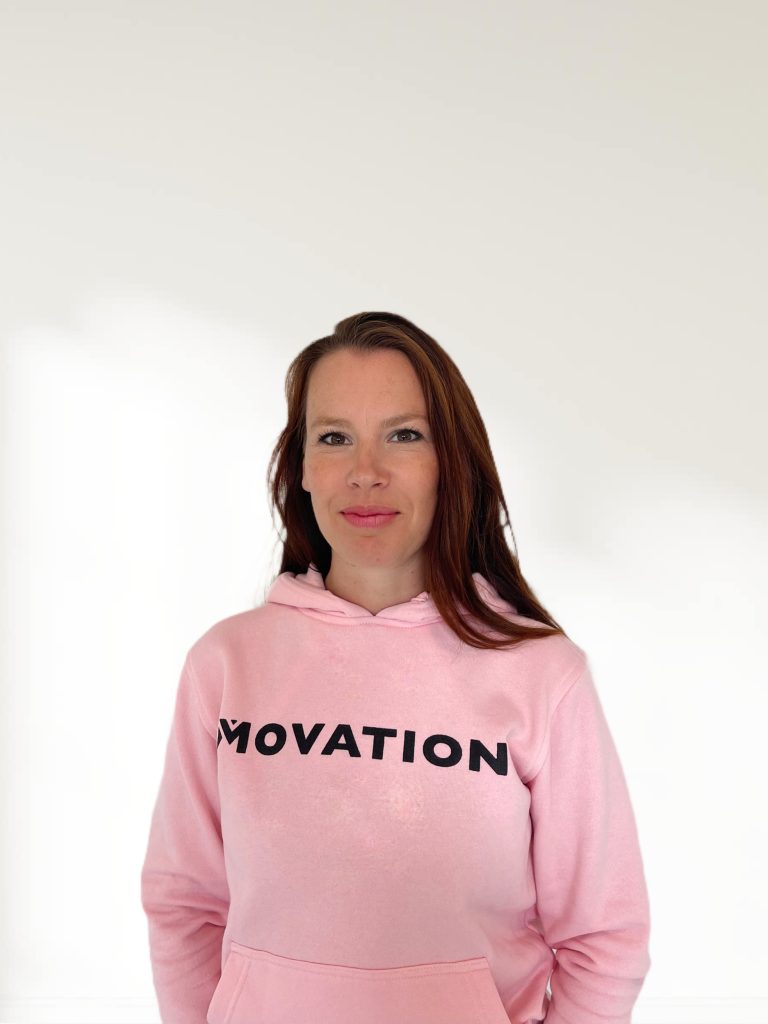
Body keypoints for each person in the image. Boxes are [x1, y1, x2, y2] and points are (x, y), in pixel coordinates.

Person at [140, 311, 651, 1024]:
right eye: (334, 438)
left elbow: (605, 940)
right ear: (301, 467)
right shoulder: (225, 664)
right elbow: (184, 904)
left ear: (450, 462)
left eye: (404, 435)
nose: (366, 472)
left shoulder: (542, 674)